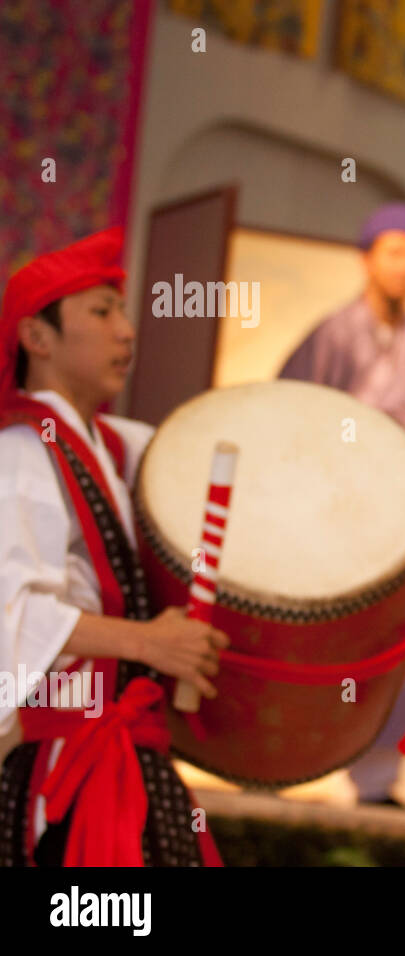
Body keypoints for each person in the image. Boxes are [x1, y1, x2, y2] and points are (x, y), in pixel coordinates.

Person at [0, 228, 227, 866]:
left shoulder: (115, 447)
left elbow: (192, 448)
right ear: (36, 337)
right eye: (101, 312)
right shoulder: (20, 454)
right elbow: (12, 616)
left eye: (122, 311)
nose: (126, 331)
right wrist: (149, 642)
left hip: (129, 753)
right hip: (69, 765)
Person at [279, 202, 405, 805]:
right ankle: (284, 763)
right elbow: (295, 419)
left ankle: (378, 779)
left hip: (404, 523)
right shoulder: (333, 335)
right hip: (336, 516)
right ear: (367, 259)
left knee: (394, 645)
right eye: (396, 253)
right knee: (317, 640)